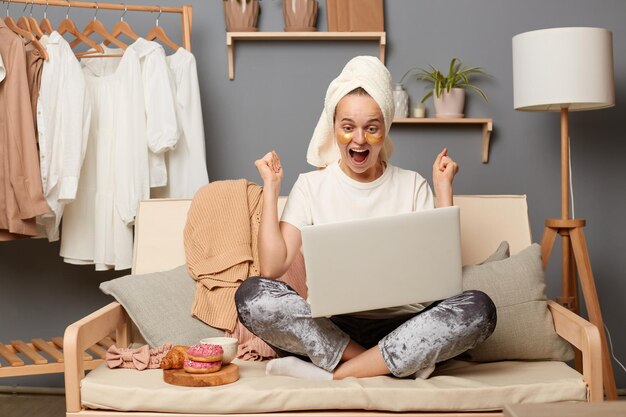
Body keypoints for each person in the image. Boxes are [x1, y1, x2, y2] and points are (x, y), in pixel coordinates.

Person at [235, 56, 496, 381]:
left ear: (385, 128)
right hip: (333, 327)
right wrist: (272, 188)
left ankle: (335, 374)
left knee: (480, 309)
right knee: (252, 296)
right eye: (348, 127)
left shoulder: (412, 184)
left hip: (406, 324)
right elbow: (272, 269)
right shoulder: (311, 186)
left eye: (371, 128)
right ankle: (386, 363)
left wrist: (443, 189)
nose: (359, 139)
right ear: (334, 128)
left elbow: (443, 277)